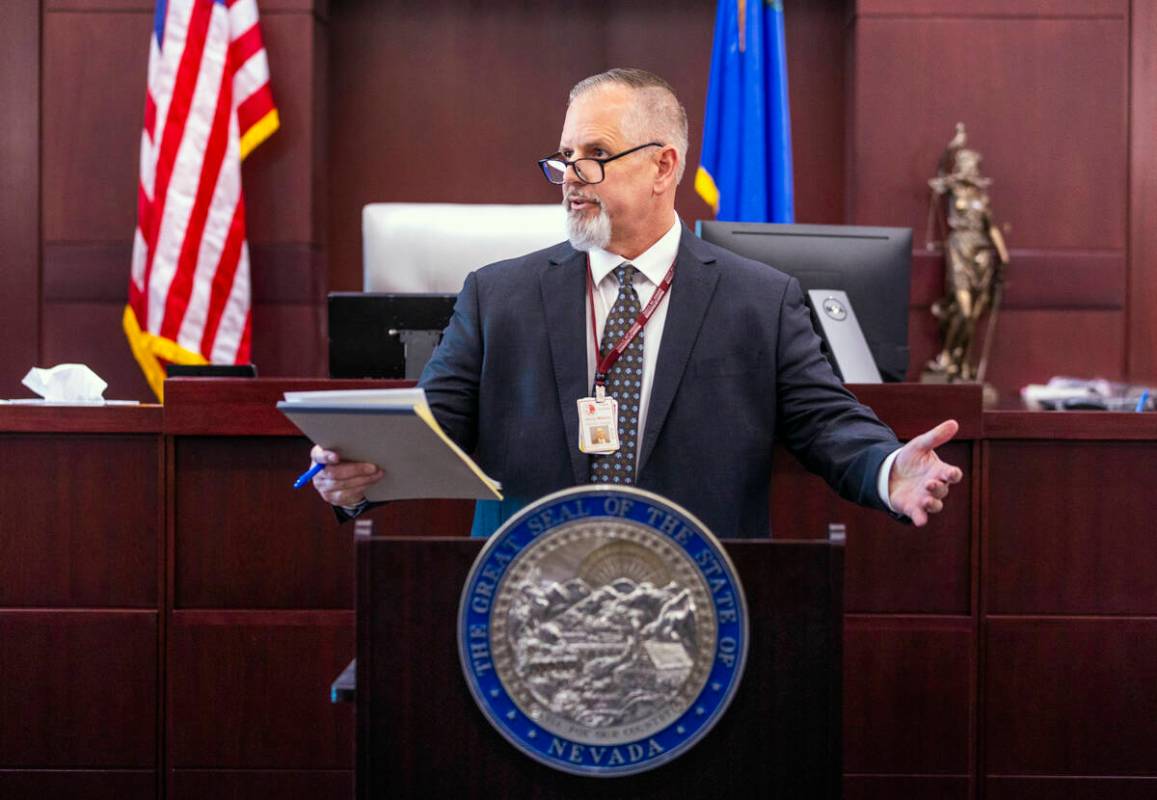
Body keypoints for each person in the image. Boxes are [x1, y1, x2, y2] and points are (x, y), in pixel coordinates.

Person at [310, 68, 962, 538]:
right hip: (524, 599)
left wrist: (885, 468)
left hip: (694, 600)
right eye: (563, 157)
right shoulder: (497, 294)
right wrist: (359, 473)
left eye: (594, 155)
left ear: (662, 167)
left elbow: (825, 423)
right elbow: (433, 429)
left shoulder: (758, 302)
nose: (569, 176)